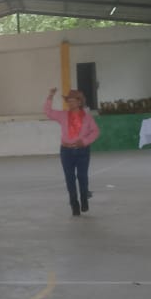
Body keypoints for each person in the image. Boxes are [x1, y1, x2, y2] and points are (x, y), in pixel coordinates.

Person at [44, 88, 100, 216]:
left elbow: (96, 131)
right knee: (69, 178)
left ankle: (84, 199)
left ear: (79, 102)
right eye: (68, 101)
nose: (70, 103)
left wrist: (84, 141)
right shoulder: (63, 115)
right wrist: (50, 96)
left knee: (82, 176)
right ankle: (74, 204)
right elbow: (48, 112)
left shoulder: (87, 118)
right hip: (66, 151)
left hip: (82, 151)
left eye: (73, 101)